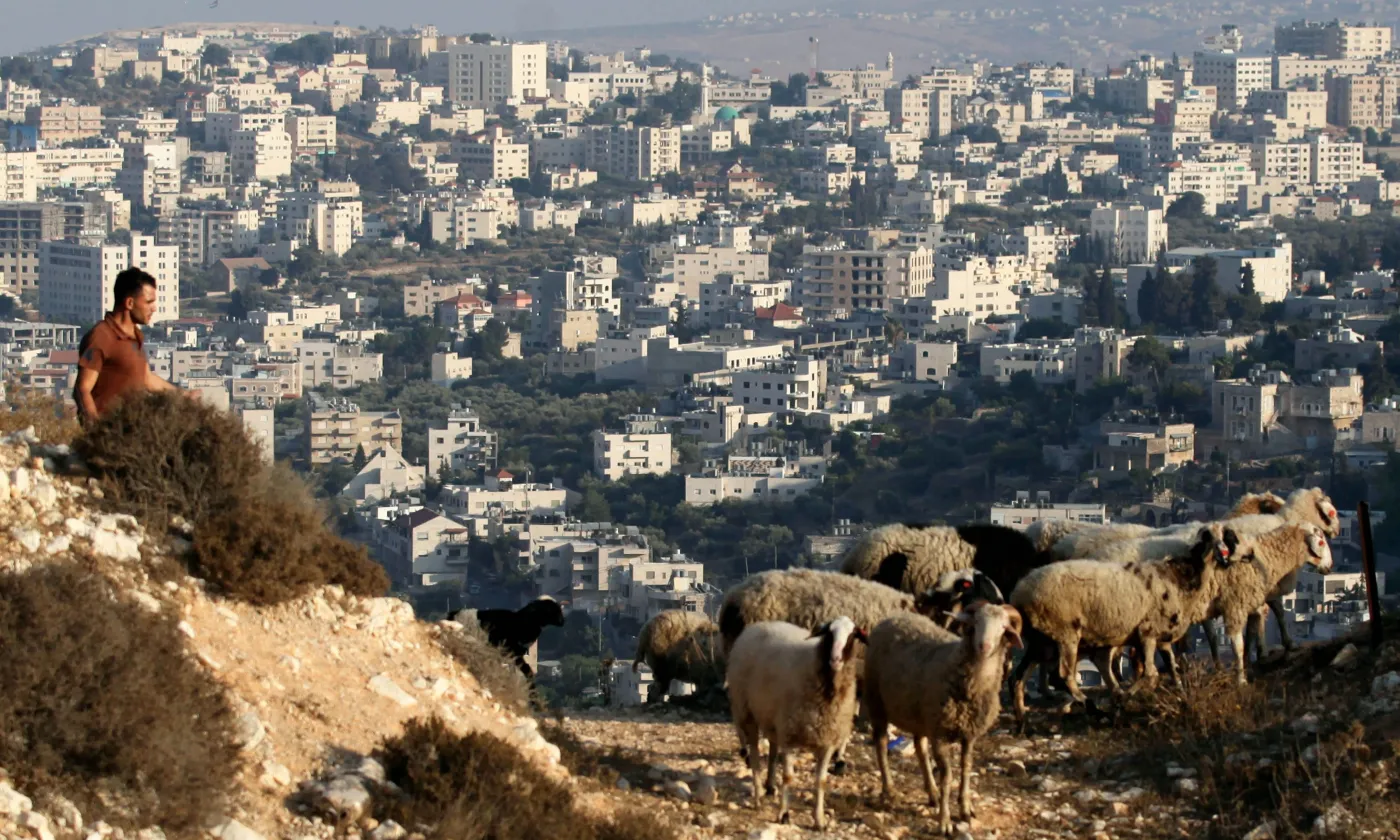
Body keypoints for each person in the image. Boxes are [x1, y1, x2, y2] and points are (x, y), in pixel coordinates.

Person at [73, 268, 180, 423]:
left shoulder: (135, 336)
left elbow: (146, 378)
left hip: (132, 433)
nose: (154, 308)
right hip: (110, 434)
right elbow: (82, 389)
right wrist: (96, 431)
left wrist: (181, 395)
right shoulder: (102, 336)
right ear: (130, 303)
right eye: (149, 302)